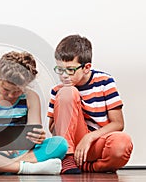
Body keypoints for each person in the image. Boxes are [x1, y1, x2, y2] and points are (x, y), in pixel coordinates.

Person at [0, 51, 68, 175]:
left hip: (20, 151)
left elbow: (33, 134)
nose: (10, 95)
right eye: (6, 89)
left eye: (17, 91)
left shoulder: (31, 97)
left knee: (60, 144)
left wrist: (39, 138)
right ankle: (25, 168)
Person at [48, 34, 133, 174]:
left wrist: (89, 137)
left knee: (122, 143)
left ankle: (88, 167)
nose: (64, 75)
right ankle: (68, 159)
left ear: (86, 67)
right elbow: (52, 129)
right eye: (60, 69)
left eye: (70, 70)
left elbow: (118, 124)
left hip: (96, 141)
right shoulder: (58, 90)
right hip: (72, 143)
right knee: (67, 92)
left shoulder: (105, 81)